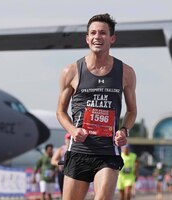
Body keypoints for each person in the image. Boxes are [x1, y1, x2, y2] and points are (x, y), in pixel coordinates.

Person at [56, 13, 137, 200]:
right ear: (87, 38)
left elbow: (132, 111)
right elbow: (60, 111)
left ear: (112, 38)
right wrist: (73, 130)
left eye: (102, 33)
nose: (97, 37)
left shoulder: (126, 72)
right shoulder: (71, 71)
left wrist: (124, 130)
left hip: (108, 151)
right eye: (93, 33)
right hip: (79, 150)